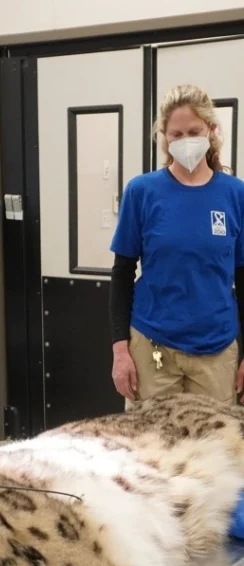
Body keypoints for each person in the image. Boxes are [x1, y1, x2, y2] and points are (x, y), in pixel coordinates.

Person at [110, 83, 244, 408]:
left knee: (215, 449)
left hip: (217, 349)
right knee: (148, 450)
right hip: (152, 346)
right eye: (176, 134)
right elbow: (122, 273)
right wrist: (119, 350)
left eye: (194, 131)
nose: (185, 141)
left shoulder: (234, 194)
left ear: (211, 130)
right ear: (164, 137)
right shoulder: (142, 192)